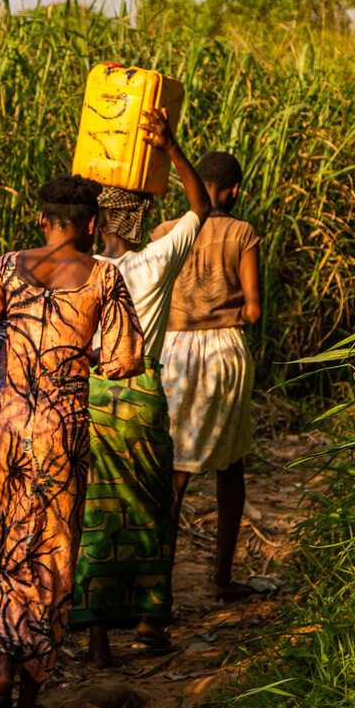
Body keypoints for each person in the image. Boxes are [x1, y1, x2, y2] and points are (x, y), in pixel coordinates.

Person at [0, 174, 144, 708]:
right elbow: (122, 361)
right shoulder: (104, 277)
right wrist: (76, 354)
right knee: (52, 558)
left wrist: (12, 369)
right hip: (60, 435)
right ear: (94, 224)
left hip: (6, 430)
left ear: (43, 220)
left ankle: (0, 675)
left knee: (10, 549)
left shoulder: (6, 266)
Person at [69, 107, 211, 669]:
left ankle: (99, 640)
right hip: (143, 394)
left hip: (93, 395)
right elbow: (201, 207)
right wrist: (172, 146)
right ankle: (152, 621)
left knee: (97, 512)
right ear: (143, 218)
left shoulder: (81, 271)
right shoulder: (157, 260)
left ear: (99, 223)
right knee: (152, 508)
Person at [151, 150, 263, 600]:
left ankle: (157, 591)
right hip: (223, 352)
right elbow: (252, 312)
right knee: (231, 464)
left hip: (172, 351)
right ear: (234, 190)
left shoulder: (165, 232)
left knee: (174, 473)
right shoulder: (242, 232)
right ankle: (220, 580)